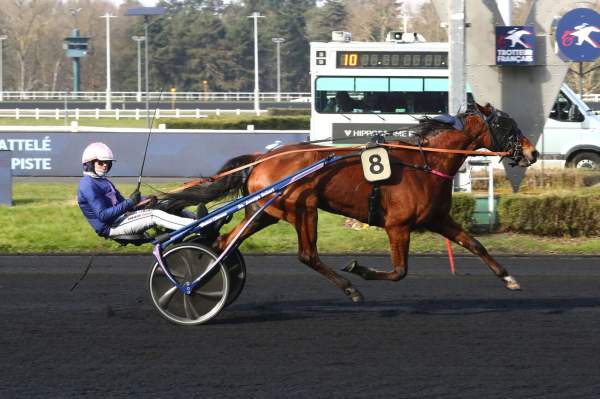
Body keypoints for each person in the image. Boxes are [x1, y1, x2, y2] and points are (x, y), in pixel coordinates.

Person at [77, 142, 196, 238]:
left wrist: (143, 200)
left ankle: (196, 218)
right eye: (101, 162)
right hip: (111, 227)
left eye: (107, 163)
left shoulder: (103, 181)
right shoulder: (87, 184)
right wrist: (130, 202)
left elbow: (125, 205)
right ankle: (196, 227)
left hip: (122, 219)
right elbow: (103, 216)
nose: (105, 165)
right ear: (89, 164)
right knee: (154, 215)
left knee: (165, 205)